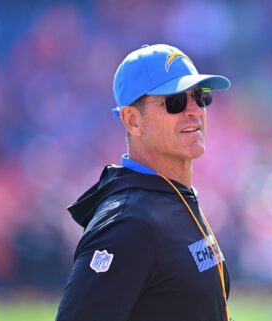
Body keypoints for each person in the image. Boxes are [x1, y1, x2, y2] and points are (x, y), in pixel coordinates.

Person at [56, 44, 232, 321]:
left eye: (200, 97)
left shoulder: (174, 196)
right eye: (174, 102)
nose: (194, 110)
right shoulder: (128, 223)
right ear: (132, 120)